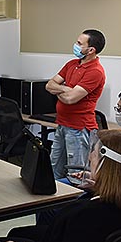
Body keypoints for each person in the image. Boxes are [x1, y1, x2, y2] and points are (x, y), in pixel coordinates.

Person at [45, 29, 106, 179]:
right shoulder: (71, 64)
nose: (75, 45)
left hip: (79, 128)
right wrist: (65, 89)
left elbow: (70, 99)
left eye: (79, 43)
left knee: (76, 175)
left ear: (91, 50)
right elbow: (49, 85)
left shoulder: (95, 71)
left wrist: (59, 89)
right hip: (62, 124)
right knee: (53, 169)